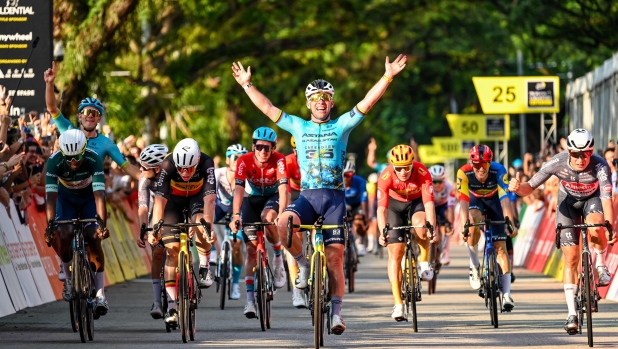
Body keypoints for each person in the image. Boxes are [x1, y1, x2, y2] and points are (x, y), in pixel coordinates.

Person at [231, 53, 407, 334]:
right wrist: (246, 85)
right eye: (315, 98)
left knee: (336, 259)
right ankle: (302, 265)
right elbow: (268, 108)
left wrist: (387, 76)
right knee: (282, 223)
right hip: (308, 198)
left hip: (335, 200)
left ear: (331, 102)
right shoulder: (298, 126)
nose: (320, 101)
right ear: (308, 103)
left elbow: (367, 103)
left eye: (325, 97)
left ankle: (337, 314)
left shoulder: (342, 125)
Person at [509, 129, 616, 334]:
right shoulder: (557, 162)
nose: (580, 158)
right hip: (567, 204)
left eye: (586, 153)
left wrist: (609, 225)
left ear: (591, 152)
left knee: (597, 226)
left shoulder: (600, 165)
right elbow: (530, 187)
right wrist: (517, 187)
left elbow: (606, 199)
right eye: (575, 153)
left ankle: (601, 265)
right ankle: (571, 313)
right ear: (568, 152)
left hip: (592, 200)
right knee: (571, 258)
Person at [147, 138, 217, 325]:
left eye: (190, 169)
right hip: (173, 203)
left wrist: (208, 227)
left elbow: (210, 200)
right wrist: (156, 228)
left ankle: (204, 266)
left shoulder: (206, 162)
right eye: (181, 168)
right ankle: (171, 306)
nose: (185, 173)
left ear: (198, 159)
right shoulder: (168, 164)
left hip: (197, 199)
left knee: (201, 225)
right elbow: (159, 201)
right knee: (172, 251)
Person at [45, 129, 110, 316]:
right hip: (66, 199)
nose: (73, 163)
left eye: (77, 158)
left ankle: (100, 294)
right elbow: (50, 197)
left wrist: (101, 225)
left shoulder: (94, 158)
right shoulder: (54, 161)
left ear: (84, 150)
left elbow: (99, 196)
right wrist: (50, 226)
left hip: (89, 198)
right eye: (69, 158)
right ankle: (69, 278)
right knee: (63, 234)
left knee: (93, 237)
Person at [229, 127, 289, 318]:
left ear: (274, 148)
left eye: (268, 147)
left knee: (268, 218)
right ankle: (249, 302)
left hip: (273, 198)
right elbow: (238, 190)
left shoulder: (279, 160)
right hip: (251, 199)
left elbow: (283, 189)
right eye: (260, 147)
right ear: (253, 146)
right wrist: (235, 215)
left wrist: (282, 214)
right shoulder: (243, 160)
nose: (263, 151)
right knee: (252, 251)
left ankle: (278, 257)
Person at [44, 62, 140, 181]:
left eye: (94, 113)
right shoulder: (69, 130)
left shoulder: (107, 143)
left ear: (99, 119)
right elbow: (52, 108)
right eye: (86, 112)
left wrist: (152, 183)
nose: (90, 116)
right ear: (79, 117)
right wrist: (50, 84)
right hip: (67, 194)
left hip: (92, 195)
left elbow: (128, 167)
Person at [377, 145, 436, 321]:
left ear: (412, 164)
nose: (403, 172)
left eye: (407, 167)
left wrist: (432, 228)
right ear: (393, 166)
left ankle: (424, 262)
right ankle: (398, 304)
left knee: (421, 226)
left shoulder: (422, 172)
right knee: (395, 253)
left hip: (416, 203)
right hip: (395, 207)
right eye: (399, 168)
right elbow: (381, 210)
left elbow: (429, 205)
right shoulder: (385, 176)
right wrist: (382, 233)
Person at [457, 145, 518, 312]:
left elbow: (505, 199)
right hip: (474, 201)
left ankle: (506, 295)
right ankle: (474, 266)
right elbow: (463, 201)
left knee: (501, 248)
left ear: (490, 163)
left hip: (495, 202)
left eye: (484, 164)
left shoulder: (498, 170)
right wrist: (465, 226)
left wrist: (509, 223)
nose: (480, 168)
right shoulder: (464, 172)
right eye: (476, 164)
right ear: (471, 163)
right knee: (472, 220)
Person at [135, 144, 169, 319]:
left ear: (157, 168)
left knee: (176, 246)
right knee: (157, 253)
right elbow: (143, 207)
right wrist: (144, 230)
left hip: (173, 211)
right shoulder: (145, 178)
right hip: (154, 213)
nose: (140, 169)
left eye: (144, 167)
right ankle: (157, 301)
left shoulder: (171, 175)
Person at [213, 144, 248, 300]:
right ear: (228, 159)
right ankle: (213, 254)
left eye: (241, 158)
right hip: (220, 207)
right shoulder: (218, 174)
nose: (237, 161)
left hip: (237, 211)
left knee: (237, 246)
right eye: (235, 157)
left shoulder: (247, 176)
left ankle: (235, 285)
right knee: (203, 221)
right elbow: (209, 198)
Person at [284, 136, 306, 307]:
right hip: (294, 194)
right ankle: (296, 291)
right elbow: (284, 191)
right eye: (295, 148)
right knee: (294, 234)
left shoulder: (317, 158)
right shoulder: (289, 162)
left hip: (312, 193)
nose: (298, 152)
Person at [428, 164, 455, 265]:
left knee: (448, 226)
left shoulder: (450, 188)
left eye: (440, 181)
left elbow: (451, 207)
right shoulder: (427, 187)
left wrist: (450, 224)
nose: (437, 184)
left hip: (444, 207)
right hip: (431, 206)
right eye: (434, 181)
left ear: (444, 181)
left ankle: (445, 253)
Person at [343, 161, 369, 256]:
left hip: (357, 204)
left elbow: (364, 200)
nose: (345, 177)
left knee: (359, 221)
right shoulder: (337, 182)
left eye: (348, 174)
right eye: (343, 175)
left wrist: (365, 218)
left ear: (353, 174)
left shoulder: (360, 181)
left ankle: (360, 243)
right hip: (343, 204)